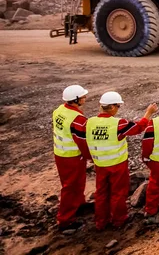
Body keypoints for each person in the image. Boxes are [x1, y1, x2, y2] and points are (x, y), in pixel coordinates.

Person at [85, 91, 158, 230]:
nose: (118, 109)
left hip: (99, 164)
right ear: (112, 107)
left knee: (101, 192)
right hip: (116, 164)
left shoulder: (90, 122)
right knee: (118, 192)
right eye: (118, 106)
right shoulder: (118, 124)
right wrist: (148, 113)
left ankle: (101, 221)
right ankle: (119, 219)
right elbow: (138, 127)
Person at [53, 85, 90, 232]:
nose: (85, 98)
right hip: (72, 157)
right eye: (83, 97)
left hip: (60, 154)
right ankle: (65, 221)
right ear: (76, 100)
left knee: (74, 184)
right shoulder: (78, 119)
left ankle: (79, 205)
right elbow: (82, 142)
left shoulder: (59, 110)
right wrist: (91, 157)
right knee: (71, 187)